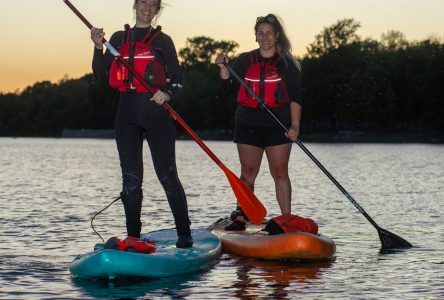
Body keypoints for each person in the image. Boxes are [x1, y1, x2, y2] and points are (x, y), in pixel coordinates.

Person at [90, 0, 193, 248]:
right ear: (135, 5)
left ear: (157, 10)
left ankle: (184, 235)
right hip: (126, 116)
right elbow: (99, 74)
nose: (148, 7)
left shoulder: (163, 41)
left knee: (167, 176)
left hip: (156, 114)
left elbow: (177, 79)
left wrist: (167, 93)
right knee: (131, 180)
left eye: (153, 4)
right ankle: (134, 237)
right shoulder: (117, 38)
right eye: (143, 2)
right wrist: (97, 47)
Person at [215, 14, 302, 231]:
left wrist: (295, 127)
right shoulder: (245, 60)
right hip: (248, 124)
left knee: (280, 172)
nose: (264, 37)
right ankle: (241, 217)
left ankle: (287, 219)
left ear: (276, 36)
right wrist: (222, 66)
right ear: (255, 36)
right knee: (248, 173)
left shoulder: (286, 63)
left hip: (278, 125)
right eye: (260, 33)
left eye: (268, 33)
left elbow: (296, 98)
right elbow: (227, 86)